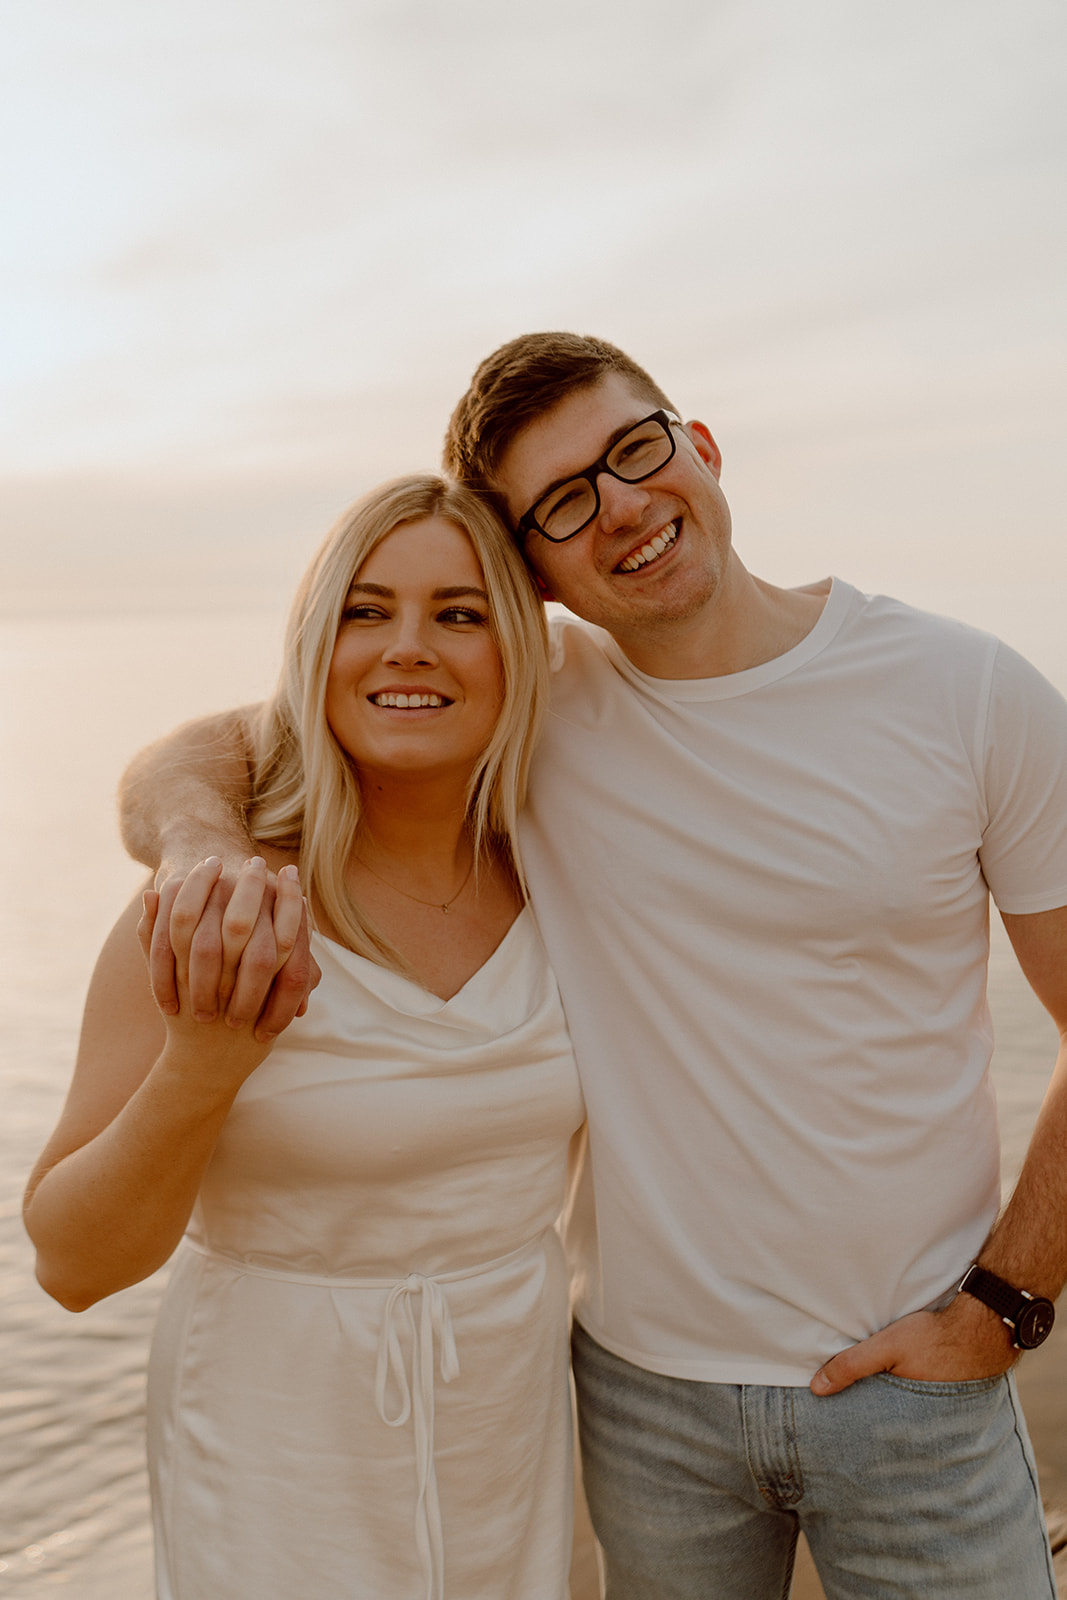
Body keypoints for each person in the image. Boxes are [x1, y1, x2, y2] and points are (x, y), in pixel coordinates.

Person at [117, 334, 1067, 1599]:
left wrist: (1004, 1304)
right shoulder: (531, 703)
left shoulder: (968, 692)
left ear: (700, 445)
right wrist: (197, 848)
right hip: (635, 1396)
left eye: (634, 450)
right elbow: (214, 747)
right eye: (564, 502)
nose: (620, 505)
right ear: (538, 573)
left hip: (914, 1385)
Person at [24, 475, 586, 1600]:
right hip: (278, 1443)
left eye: (459, 614)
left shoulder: (571, 868)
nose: (408, 648)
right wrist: (205, 1061)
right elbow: (73, 1264)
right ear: (310, 646)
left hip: (514, 1420)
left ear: (520, 650)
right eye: (364, 612)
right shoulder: (219, 910)